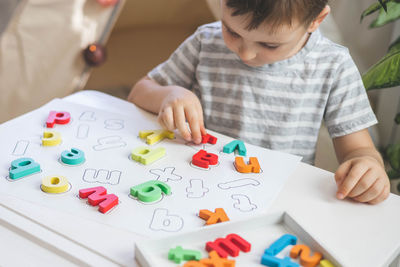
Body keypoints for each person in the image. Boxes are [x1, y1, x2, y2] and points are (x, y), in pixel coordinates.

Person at [127, 0, 390, 204]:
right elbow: (140, 91)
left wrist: (368, 169)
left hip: (278, 197)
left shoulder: (333, 65)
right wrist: (170, 94)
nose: (246, 52)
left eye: (269, 44)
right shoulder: (205, 43)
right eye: (231, 31)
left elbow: (358, 151)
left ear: (316, 20)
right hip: (196, 184)